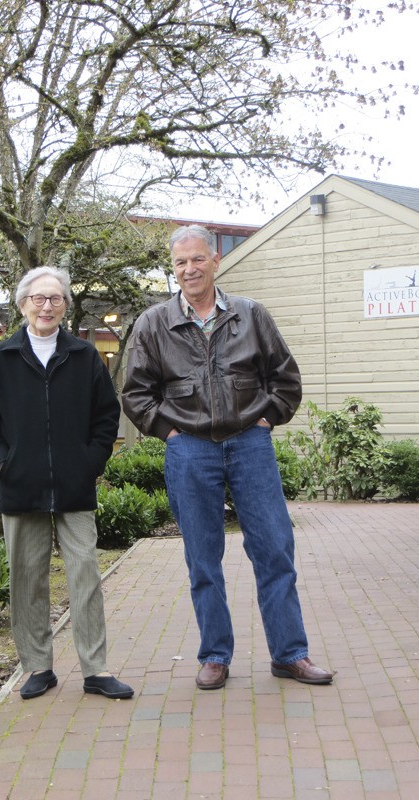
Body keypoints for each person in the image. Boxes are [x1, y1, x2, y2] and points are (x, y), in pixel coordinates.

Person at [122, 225, 333, 690]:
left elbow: (286, 378)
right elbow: (135, 393)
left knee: (274, 549)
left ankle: (290, 654)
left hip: (249, 444)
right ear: (172, 268)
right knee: (203, 557)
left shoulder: (250, 314)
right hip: (190, 450)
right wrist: (170, 432)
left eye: (197, 259)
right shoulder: (153, 323)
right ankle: (215, 655)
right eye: (180, 263)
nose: (189, 269)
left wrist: (266, 419)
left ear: (215, 261)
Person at [0, 266, 133, 700]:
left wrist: (91, 462)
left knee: (85, 576)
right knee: (27, 579)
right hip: (20, 489)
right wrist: (3, 465)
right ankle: (38, 666)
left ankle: (95, 669)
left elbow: (106, 416)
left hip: (75, 489)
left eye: (55, 298)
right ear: (23, 305)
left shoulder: (83, 356)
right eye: (38, 298)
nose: (46, 306)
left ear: (64, 306)